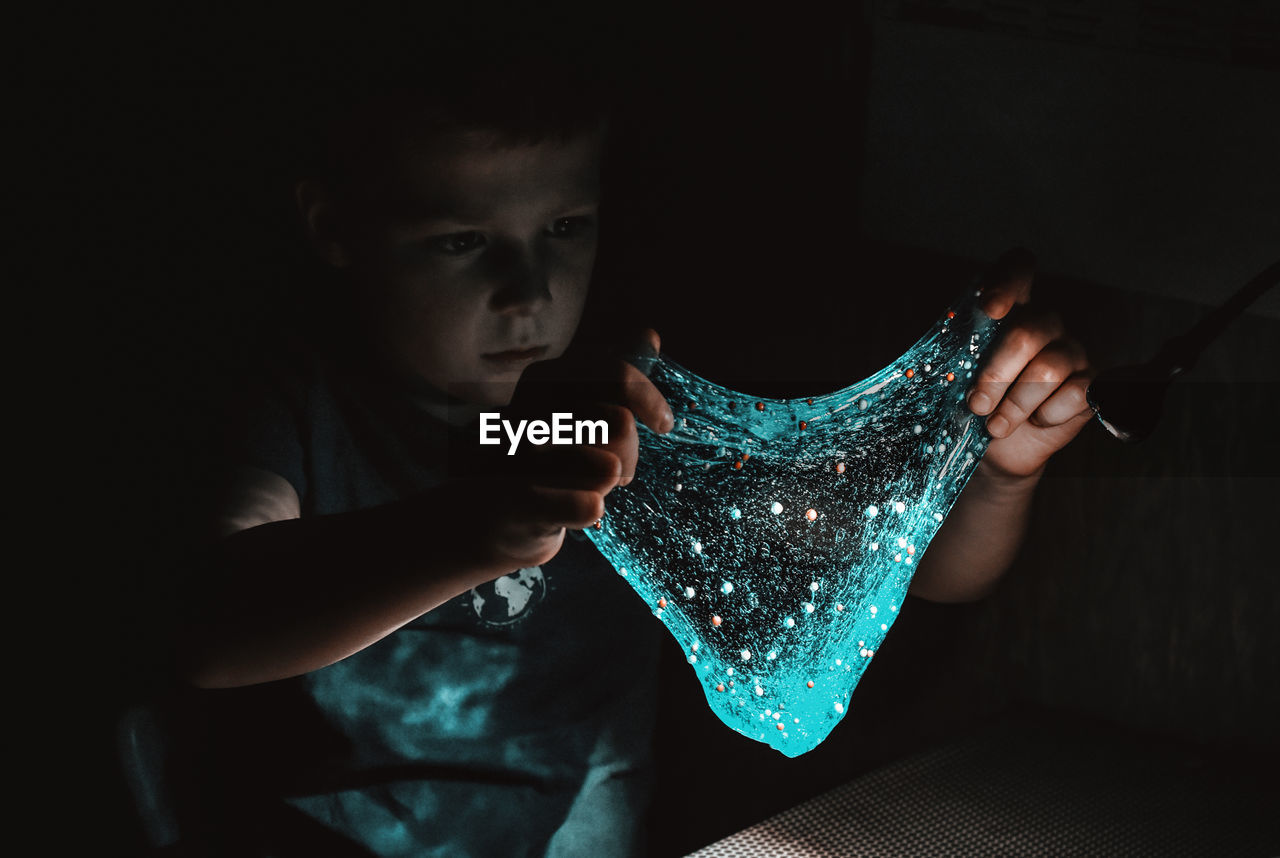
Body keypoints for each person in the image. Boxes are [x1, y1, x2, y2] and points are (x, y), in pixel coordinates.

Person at [175, 38, 1095, 858]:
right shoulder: (303, 402)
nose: (527, 292)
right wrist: (484, 529)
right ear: (334, 227)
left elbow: (924, 572)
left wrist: (1000, 469)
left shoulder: (638, 403)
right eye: (461, 241)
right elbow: (205, 626)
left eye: (565, 229)